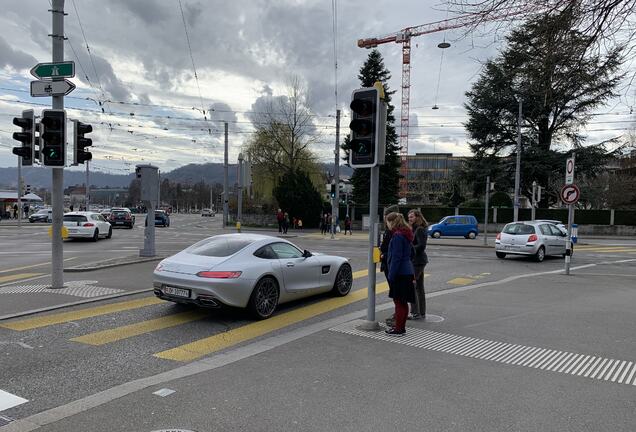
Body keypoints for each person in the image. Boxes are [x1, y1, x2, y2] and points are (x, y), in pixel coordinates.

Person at [385, 212, 416, 336]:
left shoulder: (397, 235)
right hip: (407, 271)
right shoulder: (406, 233)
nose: (386, 224)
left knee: (398, 302)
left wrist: (391, 275)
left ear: (391, 222)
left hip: (400, 273)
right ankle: (401, 328)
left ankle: (398, 329)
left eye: (387, 222)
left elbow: (396, 258)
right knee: (403, 302)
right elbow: (412, 253)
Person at [408, 209, 429, 320]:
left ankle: (415, 312)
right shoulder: (415, 228)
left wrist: (409, 248)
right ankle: (421, 312)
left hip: (418, 261)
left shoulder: (420, 229)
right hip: (418, 261)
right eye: (409, 217)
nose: (409, 219)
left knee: (412, 286)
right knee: (419, 287)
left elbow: (422, 246)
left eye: (411, 217)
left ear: (417, 217)